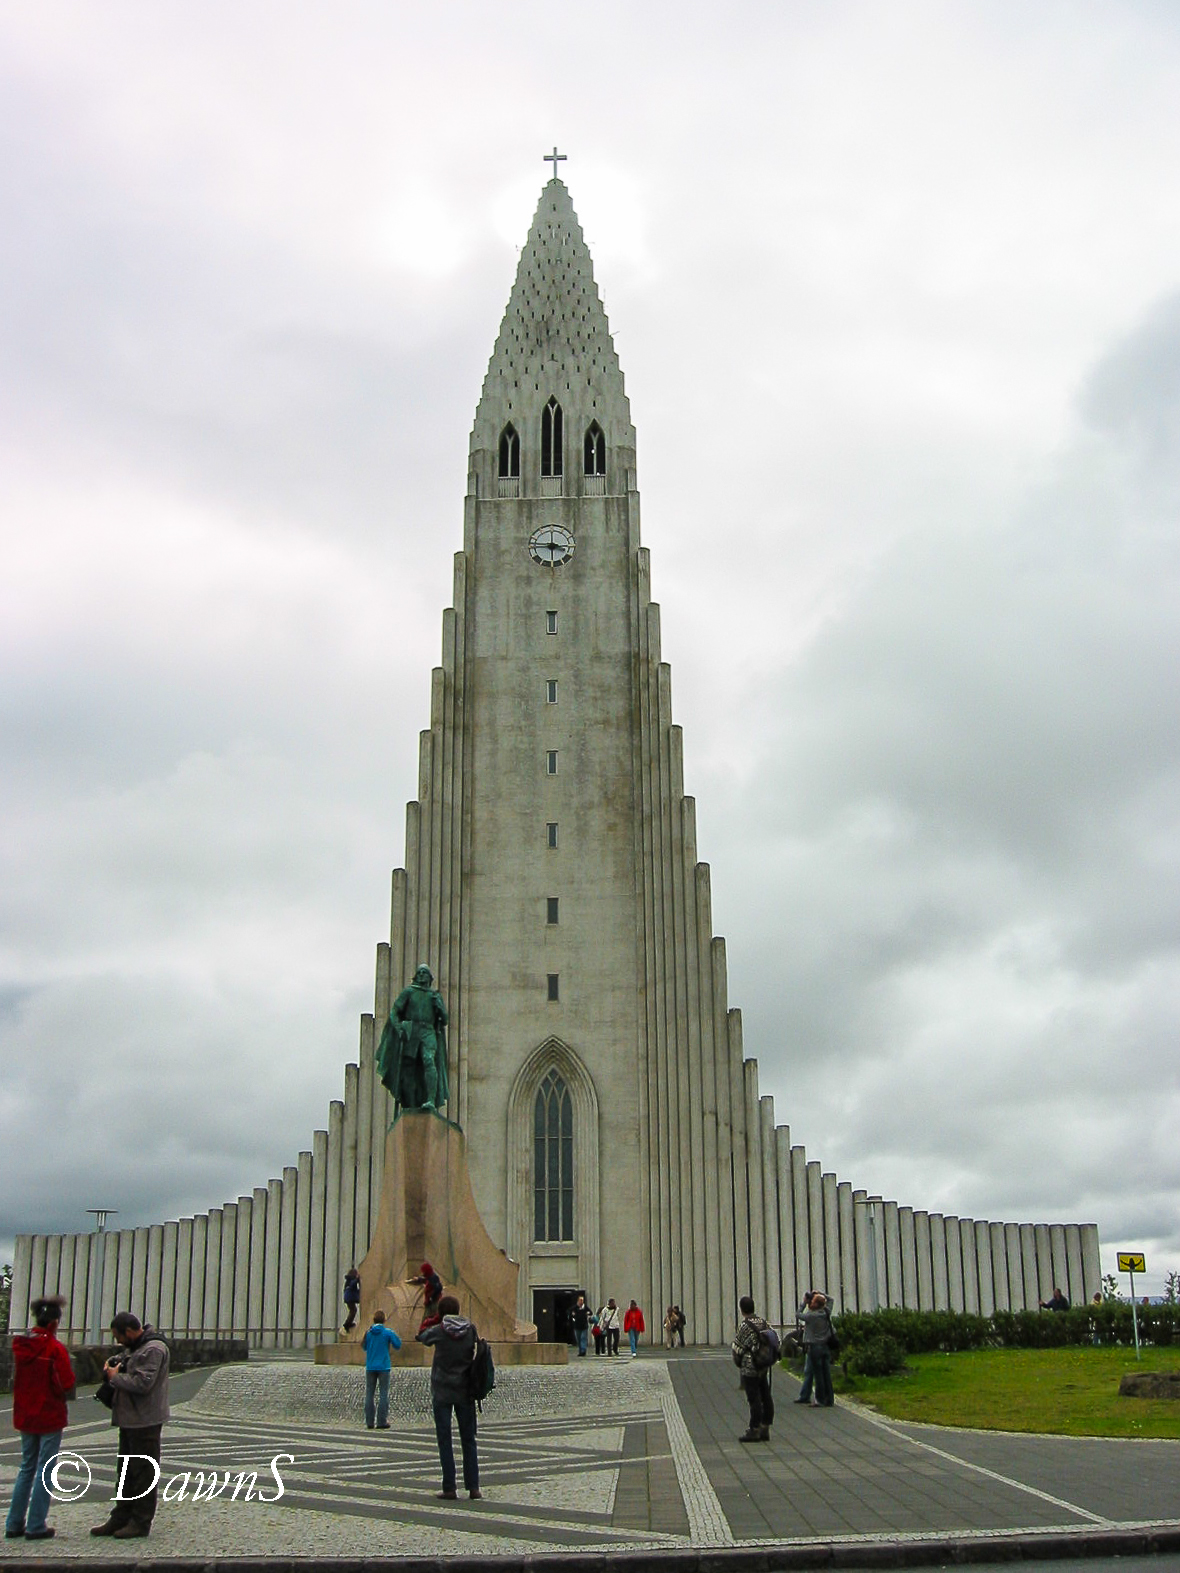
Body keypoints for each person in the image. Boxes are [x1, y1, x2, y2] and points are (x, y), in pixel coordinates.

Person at [91, 1312, 171, 1539]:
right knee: (125, 1471)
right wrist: (116, 1364)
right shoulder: (138, 1347)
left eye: (119, 1337)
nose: (118, 1342)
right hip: (130, 1419)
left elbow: (143, 1383)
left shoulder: (153, 1349)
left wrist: (115, 1377)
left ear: (129, 1331)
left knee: (144, 1473)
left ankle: (140, 1522)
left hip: (145, 1420)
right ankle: (121, 1517)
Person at [6, 1294, 75, 1541]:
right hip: (50, 1414)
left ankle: (14, 1523)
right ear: (55, 1323)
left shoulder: (21, 1347)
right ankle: (36, 1525)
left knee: (26, 1467)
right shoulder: (55, 1349)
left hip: (25, 1414)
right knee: (45, 1470)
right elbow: (67, 1382)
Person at [417, 1294, 480, 1501]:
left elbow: (422, 1337)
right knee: (468, 1439)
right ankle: (473, 1487)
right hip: (465, 1389)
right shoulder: (470, 1330)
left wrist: (433, 1319)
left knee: (445, 1439)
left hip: (443, 1389)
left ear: (442, 1312)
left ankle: (450, 1487)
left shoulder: (440, 1331)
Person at [377, 963, 450, 1113]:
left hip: (428, 1031)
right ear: (416, 976)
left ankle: (430, 1100)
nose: (422, 975)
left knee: (429, 1060)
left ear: (430, 977)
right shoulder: (409, 992)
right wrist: (398, 1028)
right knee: (409, 1068)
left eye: (425, 972)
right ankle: (409, 1103)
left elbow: (445, 1019)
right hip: (412, 1031)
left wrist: (440, 1007)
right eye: (420, 972)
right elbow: (395, 1012)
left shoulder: (434, 996)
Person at [731, 1294, 775, 1442]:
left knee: (753, 1397)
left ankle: (754, 1429)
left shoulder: (745, 1326)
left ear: (742, 1309)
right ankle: (765, 1426)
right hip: (763, 1365)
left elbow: (738, 1347)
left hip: (750, 1365)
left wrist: (738, 1361)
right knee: (765, 1395)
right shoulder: (763, 1322)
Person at [363, 1310, 402, 1428]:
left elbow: (364, 1347)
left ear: (373, 1320)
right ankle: (381, 1421)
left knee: (369, 1393)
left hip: (370, 1366)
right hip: (384, 1366)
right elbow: (398, 1345)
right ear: (384, 1320)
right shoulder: (387, 1332)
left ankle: (369, 1422)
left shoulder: (368, 1333)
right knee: (383, 1393)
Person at [795, 1292, 835, 1408]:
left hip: (814, 1347)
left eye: (812, 1301)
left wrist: (803, 1303)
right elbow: (831, 1299)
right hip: (825, 1346)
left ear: (816, 1304)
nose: (810, 1302)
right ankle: (829, 1399)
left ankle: (820, 1400)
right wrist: (821, 1293)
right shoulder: (826, 1312)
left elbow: (798, 1315)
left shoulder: (811, 1316)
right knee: (826, 1374)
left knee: (818, 1375)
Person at [410, 1261, 444, 1330]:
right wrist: (418, 1279)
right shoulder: (430, 1276)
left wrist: (431, 1297)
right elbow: (426, 1279)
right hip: (430, 1302)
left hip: (434, 1302)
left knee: (429, 1318)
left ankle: (423, 1332)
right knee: (428, 1318)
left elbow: (438, 1287)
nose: (423, 1273)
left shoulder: (433, 1278)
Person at [342, 1266, 361, 1332]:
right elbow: (353, 1285)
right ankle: (347, 1324)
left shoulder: (348, 1280)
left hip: (348, 1298)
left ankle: (348, 1323)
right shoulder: (351, 1280)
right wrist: (357, 1279)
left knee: (353, 1310)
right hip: (350, 1298)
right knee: (353, 1310)